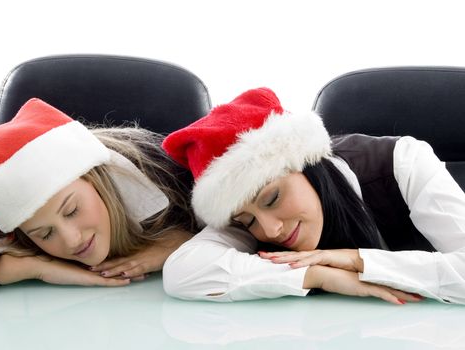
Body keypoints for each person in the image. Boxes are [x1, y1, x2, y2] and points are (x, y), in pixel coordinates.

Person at [161, 87, 465, 305]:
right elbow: (182, 273)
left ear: (307, 165)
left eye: (272, 199)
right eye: (248, 220)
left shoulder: (404, 161)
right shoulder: (243, 207)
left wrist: (355, 261)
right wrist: (317, 275)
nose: (269, 230)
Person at [0, 98, 196, 304]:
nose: (73, 240)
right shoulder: (7, 212)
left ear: (94, 179)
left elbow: (232, 225)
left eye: (72, 211)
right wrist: (27, 267)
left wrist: (179, 243)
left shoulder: (168, 172)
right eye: (45, 233)